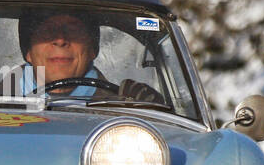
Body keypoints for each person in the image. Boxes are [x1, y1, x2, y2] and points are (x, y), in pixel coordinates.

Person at [16, 8, 163, 104]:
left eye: (73, 29)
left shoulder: (126, 109)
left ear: (93, 49)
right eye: (47, 30)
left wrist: (150, 112)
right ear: (28, 51)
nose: (60, 40)